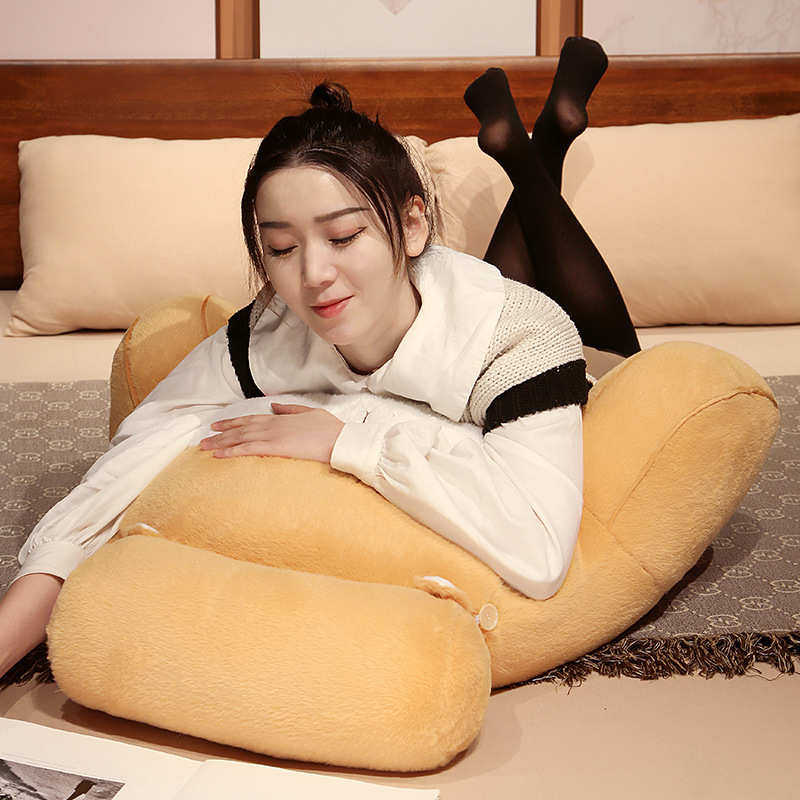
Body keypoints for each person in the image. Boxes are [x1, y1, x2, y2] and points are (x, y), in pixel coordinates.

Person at [0, 36, 640, 684]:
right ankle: (535, 147)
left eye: (343, 236)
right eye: (281, 248)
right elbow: (142, 449)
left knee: (591, 330)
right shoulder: (269, 331)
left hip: (579, 353)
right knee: (496, 274)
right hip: (439, 305)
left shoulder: (523, 341)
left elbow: (537, 551)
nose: (313, 276)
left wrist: (347, 437)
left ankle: (539, 151)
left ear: (413, 224)